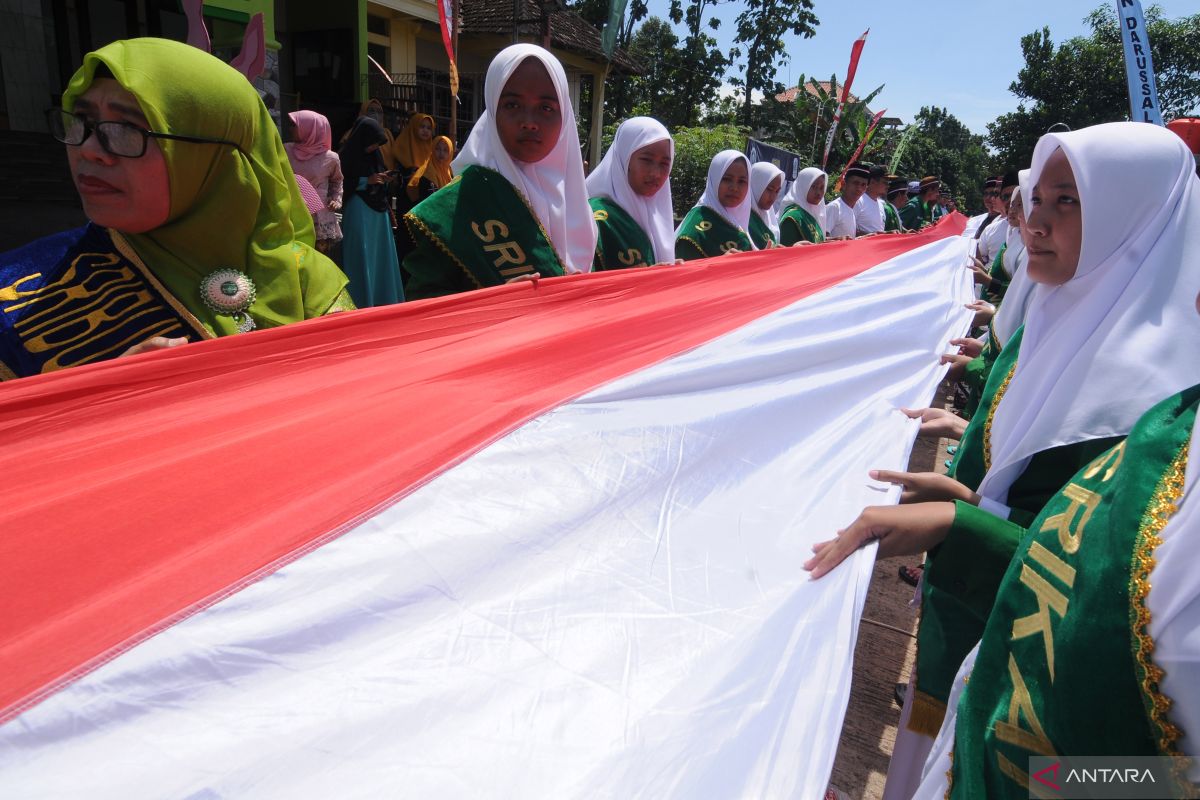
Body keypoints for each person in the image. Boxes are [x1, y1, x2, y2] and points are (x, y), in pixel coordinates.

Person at [805, 121, 1200, 799]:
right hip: (984, 662)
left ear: (1134, 218)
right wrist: (966, 495)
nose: (1036, 223)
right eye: (1035, 200)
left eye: (1067, 202)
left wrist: (961, 522)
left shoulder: (1152, 402)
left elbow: (1092, 582)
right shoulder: (1053, 320)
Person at [0, 38, 351, 379]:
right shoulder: (18, 291)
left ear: (218, 159)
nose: (89, 148)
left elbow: (363, 416)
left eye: (126, 129)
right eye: (81, 121)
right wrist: (88, 404)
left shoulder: (308, 282)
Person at [401, 43, 595, 298]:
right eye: (512, 105)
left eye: (546, 108)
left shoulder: (579, 207)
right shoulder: (457, 206)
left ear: (565, 117)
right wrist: (492, 305)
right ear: (493, 109)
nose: (529, 122)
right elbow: (420, 310)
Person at [586, 116, 675, 270]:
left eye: (664, 163)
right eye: (647, 160)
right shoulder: (596, 218)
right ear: (624, 159)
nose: (656, 173)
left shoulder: (657, 214)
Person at [338, 115, 404, 307]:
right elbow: (341, 184)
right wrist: (365, 181)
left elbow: (378, 178)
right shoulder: (346, 156)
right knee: (361, 256)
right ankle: (361, 302)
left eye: (378, 144)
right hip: (358, 211)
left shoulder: (376, 156)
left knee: (380, 259)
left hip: (378, 213)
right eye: (373, 142)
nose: (375, 147)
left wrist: (384, 179)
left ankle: (384, 300)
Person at [674, 150, 754, 260]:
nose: (734, 188)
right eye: (726, 179)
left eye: (741, 181)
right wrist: (718, 265)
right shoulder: (695, 229)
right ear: (714, 179)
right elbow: (684, 274)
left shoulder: (738, 220)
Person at [285, 110, 343, 253]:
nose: (290, 128)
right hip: (291, 209)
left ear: (309, 128)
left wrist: (336, 199)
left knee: (317, 257)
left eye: (294, 125)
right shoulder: (285, 150)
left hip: (319, 215)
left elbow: (337, 181)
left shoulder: (331, 158)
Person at [391, 112, 435, 214]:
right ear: (414, 126)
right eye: (422, 126)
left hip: (424, 197)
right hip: (405, 197)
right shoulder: (402, 146)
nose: (425, 130)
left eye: (429, 128)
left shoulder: (432, 149)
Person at [778, 167, 827, 246]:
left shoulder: (814, 213)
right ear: (803, 186)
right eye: (814, 187)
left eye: (821, 188)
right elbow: (786, 250)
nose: (818, 192)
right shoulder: (793, 216)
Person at [404, 134, 454, 205]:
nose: (441, 153)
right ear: (432, 149)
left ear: (450, 152)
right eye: (437, 149)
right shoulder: (427, 171)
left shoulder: (449, 172)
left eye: (445, 150)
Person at [824, 162, 869, 239]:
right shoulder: (835, 207)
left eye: (863, 185)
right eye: (855, 183)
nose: (859, 189)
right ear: (844, 185)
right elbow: (820, 239)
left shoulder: (852, 209)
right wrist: (840, 240)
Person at [747, 161, 785, 249]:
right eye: (769, 189)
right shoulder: (742, 216)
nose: (773, 196)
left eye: (777, 191)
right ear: (756, 185)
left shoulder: (769, 216)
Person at [854, 163, 888, 236]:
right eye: (885, 182)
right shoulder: (858, 201)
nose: (887, 186)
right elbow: (851, 231)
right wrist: (874, 236)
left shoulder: (881, 204)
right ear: (872, 182)